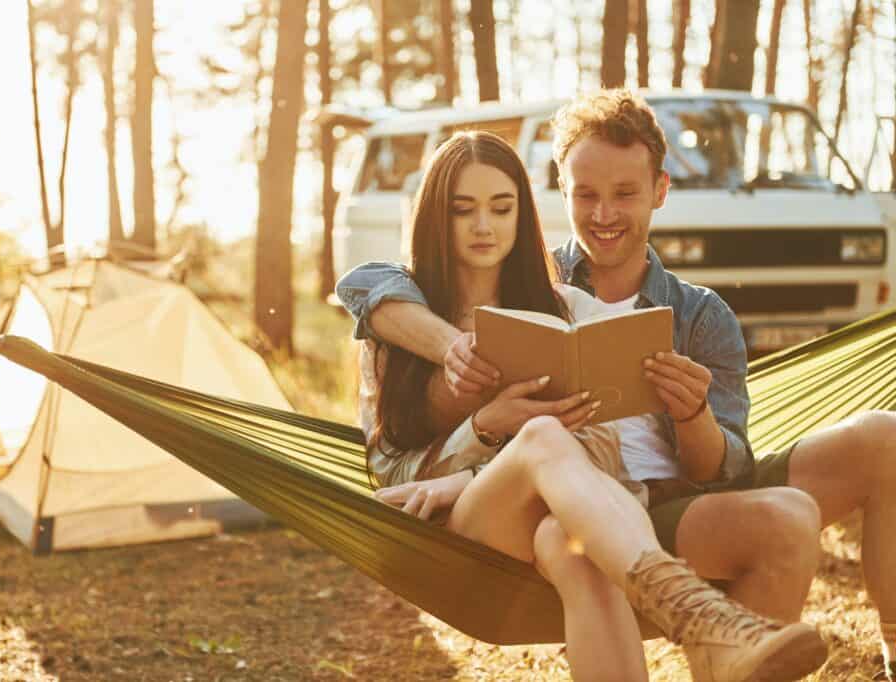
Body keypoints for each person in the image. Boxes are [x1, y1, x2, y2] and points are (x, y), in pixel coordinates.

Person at [349, 126, 827, 682]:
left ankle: (707, 628)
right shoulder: (400, 322)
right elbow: (388, 473)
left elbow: (604, 447)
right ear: (437, 216)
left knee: (571, 541)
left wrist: (518, 452)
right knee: (545, 439)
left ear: (522, 216)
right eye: (463, 210)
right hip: (457, 528)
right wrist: (483, 432)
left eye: (502, 208)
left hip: (554, 519)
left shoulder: (564, 307)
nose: (484, 226)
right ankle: (695, 613)